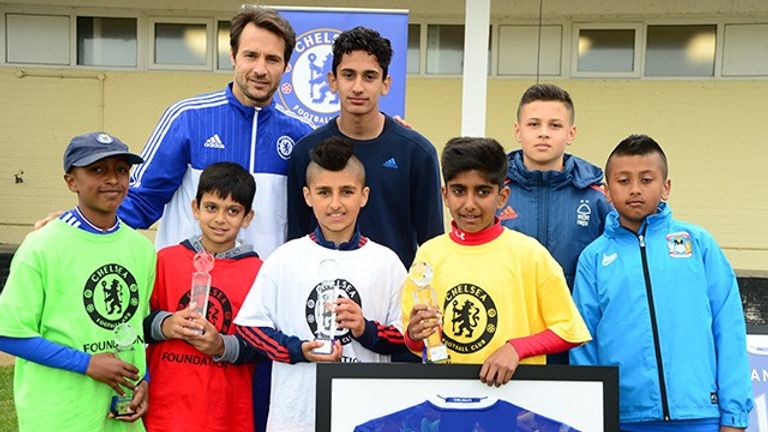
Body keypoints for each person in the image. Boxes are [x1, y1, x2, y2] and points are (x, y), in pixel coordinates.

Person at [570, 134, 753, 431]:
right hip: (623, 418)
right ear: (606, 191)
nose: (635, 190)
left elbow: (728, 327)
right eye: (624, 180)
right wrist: (592, 414)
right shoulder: (594, 257)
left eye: (646, 179)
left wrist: (734, 415)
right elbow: (583, 340)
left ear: (665, 187)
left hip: (699, 417)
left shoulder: (698, 243)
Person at [235, 136, 407, 432]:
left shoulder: (386, 262)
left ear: (364, 196)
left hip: (365, 415)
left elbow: (407, 339)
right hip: (296, 416)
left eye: (347, 191)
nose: (335, 204)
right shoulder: (285, 258)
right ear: (307, 195)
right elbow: (249, 327)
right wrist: (298, 349)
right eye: (324, 192)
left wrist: (363, 329)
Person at [120, 5, 313, 258]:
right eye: (251, 55)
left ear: (286, 65)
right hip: (189, 290)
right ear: (233, 56)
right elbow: (141, 201)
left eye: (272, 59)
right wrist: (79, 224)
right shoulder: (187, 118)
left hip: (266, 291)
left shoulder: (303, 135)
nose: (260, 69)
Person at [402, 137, 591, 386]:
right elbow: (413, 338)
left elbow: (570, 330)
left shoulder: (530, 254)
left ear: (502, 197)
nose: (470, 204)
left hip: (515, 403)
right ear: (445, 195)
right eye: (459, 191)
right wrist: (414, 336)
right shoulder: (429, 254)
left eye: (482, 191)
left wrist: (517, 348)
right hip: (447, 400)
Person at [0, 132, 155, 431]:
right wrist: (86, 363)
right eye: (97, 170)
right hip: (60, 413)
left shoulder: (142, 249)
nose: (112, 179)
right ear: (71, 181)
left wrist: (144, 381)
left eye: (121, 170)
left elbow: (138, 327)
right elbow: (7, 332)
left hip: (120, 414)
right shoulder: (41, 247)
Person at [287, 26, 443, 269]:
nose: (358, 87)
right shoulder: (305, 153)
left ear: (385, 83)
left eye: (369, 76)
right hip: (321, 295)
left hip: (392, 297)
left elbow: (433, 247)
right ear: (332, 80)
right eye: (348, 75)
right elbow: (296, 240)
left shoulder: (417, 154)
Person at [142, 162, 264, 431]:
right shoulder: (165, 260)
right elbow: (137, 323)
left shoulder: (259, 272)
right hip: (166, 409)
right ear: (195, 208)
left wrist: (221, 346)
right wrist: (165, 325)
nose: (220, 219)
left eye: (233, 211)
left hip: (225, 413)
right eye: (212, 207)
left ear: (247, 217)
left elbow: (262, 345)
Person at [499, 83, 611, 365]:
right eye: (534, 124)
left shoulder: (597, 197)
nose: (543, 132)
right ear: (518, 130)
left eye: (555, 125)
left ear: (571, 133)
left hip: (575, 343)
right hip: (509, 340)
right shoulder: (495, 192)